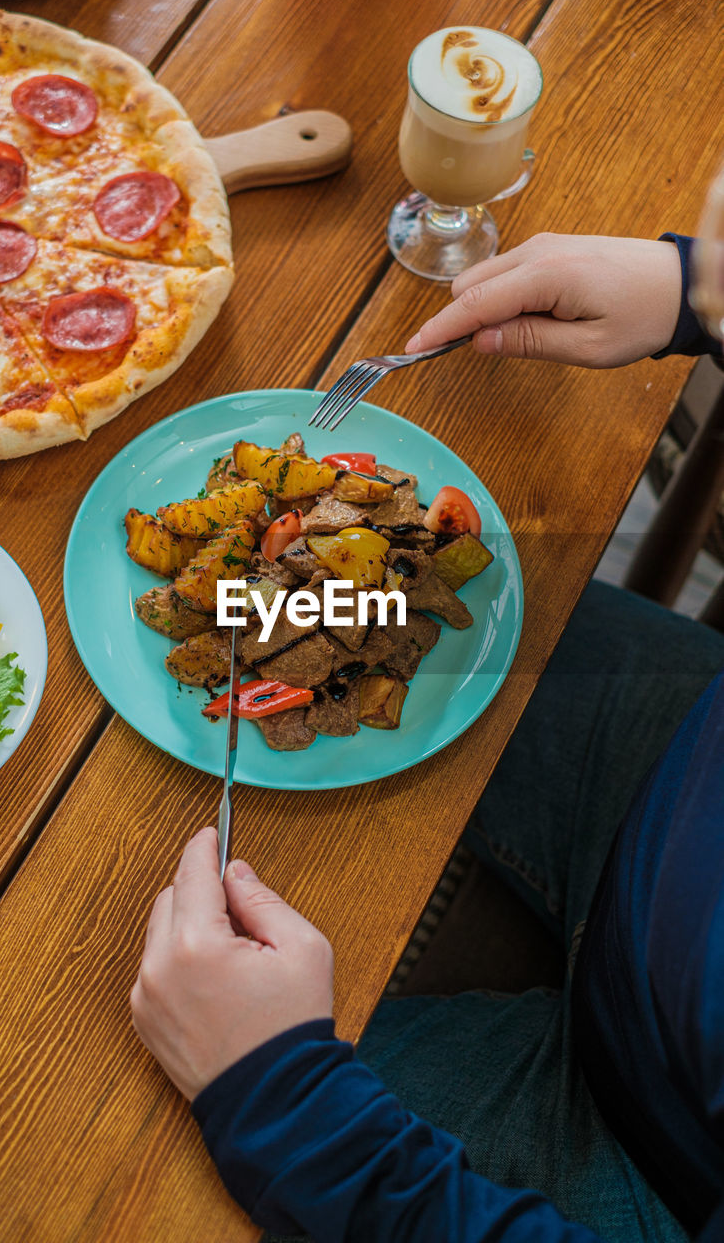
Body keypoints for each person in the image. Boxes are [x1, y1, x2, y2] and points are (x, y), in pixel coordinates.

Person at [130, 231, 724, 1242]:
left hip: (637, 1157)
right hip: (672, 758)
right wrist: (696, 291)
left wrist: (286, 1104)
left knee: (115, 1130)